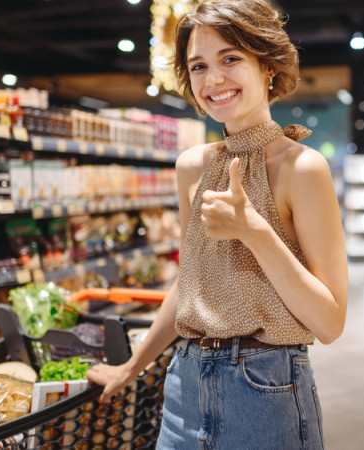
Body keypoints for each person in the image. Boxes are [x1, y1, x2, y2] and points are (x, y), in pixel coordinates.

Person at [86, 0, 348, 448]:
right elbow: (190, 283)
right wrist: (133, 367)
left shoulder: (302, 168)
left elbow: (329, 321)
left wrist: (255, 232)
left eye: (231, 59)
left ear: (267, 66)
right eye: (199, 66)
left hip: (266, 391)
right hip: (184, 385)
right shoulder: (191, 166)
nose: (214, 80)